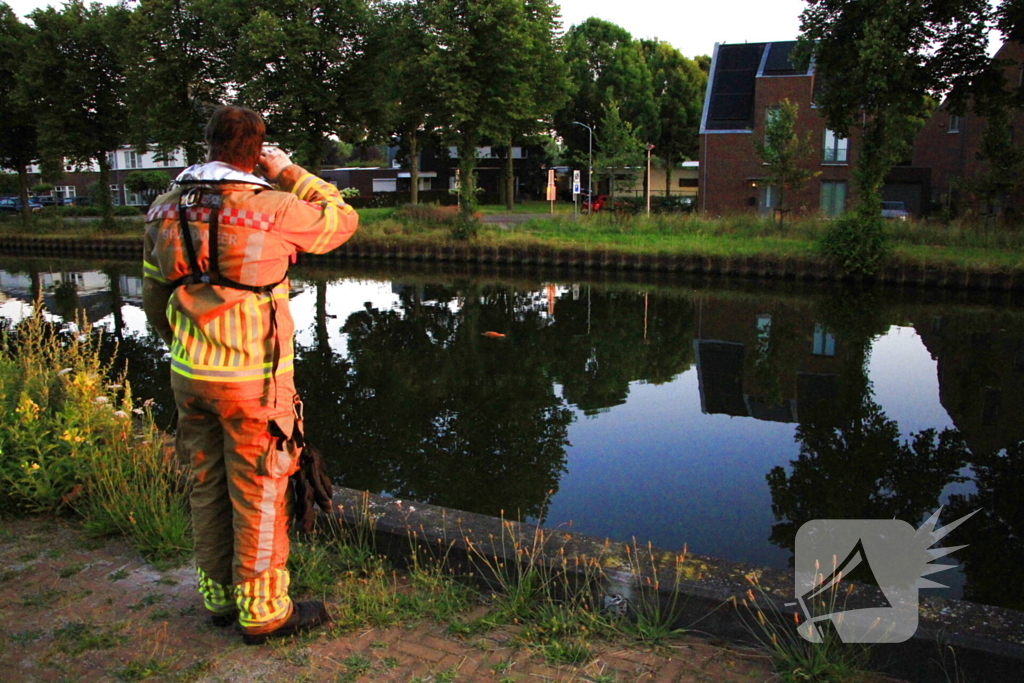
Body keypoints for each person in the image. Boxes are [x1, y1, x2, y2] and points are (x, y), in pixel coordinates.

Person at [142, 106, 359, 644]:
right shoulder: (275, 207)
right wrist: (287, 169)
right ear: (258, 150)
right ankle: (262, 613)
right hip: (253, 381)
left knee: (206, 485)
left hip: (189, 375)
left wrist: (182, 346)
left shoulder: (163, 209)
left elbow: (153, 296)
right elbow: (342, 217)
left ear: (208, 143)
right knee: (259, 488)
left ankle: (218, 597)